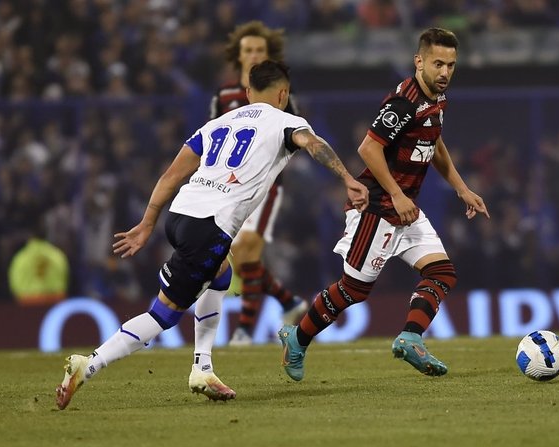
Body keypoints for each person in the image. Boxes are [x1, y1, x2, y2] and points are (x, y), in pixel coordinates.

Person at [55, 60, 369, 409]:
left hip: (180, 215)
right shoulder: (287, 121)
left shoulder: (217, 123)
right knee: (164, 314)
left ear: (248, 93)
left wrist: (147, 224)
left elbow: (170, 177)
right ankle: (89, 364)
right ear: (283, 94)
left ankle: (203, 367)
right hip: (210, 226)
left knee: (221, 274)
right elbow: (313, 145)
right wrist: (346, 177)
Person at [278, 28, 490, 382]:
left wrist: (461, 188)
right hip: (376, 206)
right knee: (353, 290)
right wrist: (395, 193)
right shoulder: (404, 102)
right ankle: (296, 338)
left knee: (442, 273)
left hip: (404, 207)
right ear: (418, 61)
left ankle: (410, 337)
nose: (445, 72)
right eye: (438, 63)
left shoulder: (437, 99)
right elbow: (368, 148)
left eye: (451, 65)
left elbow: (434, 144)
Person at [210, 21, 309, 346]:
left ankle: (243, 332)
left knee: (245, 247)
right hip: (229, 188)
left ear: (269, 56)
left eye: (259, 50)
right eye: (248, 50)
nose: (253, 55)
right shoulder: (224, 97)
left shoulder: (281, 97)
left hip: (266, 187)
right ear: (238, 56)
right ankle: (289, 301)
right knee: (243, 255)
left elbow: (295, 135)